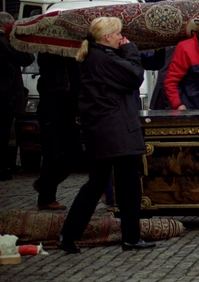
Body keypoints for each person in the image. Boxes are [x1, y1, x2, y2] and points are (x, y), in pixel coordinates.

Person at [58, 17, 155, 253]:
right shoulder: (103, 58)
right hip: (116, 130)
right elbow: (134, 76)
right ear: (107, 37)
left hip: (102, 131)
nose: (121, 37)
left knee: (96, 184)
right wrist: (130, 49)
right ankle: (131, 238)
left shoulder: (94, 56)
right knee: (129, 186)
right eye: (119, 34)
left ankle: (68, 234)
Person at [33, 53, 83, 210]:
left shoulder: (75, 53)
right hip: (51, 105)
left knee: (74, 154)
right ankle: (46, 198)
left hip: (70, 105)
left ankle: (43, 184)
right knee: (52, 154)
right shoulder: (49, 50)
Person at [0, 12, 35, 181]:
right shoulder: (5, 42)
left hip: (6, 95)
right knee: (3, 132)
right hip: (5, 97)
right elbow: (26, 58)